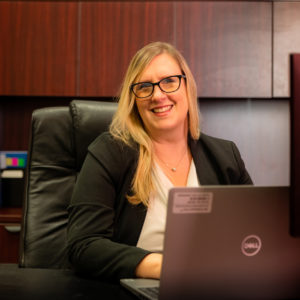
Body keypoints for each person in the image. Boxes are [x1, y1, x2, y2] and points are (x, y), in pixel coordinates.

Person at [67, 41, 253, 282]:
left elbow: (253, 235)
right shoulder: (110, 152)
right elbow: (83, 246)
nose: (157, 95)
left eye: (168, 81)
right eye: (144, 87)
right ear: (134, 99)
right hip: (139, 289)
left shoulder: (224, 155)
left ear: (187, 86)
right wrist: (165, 266)